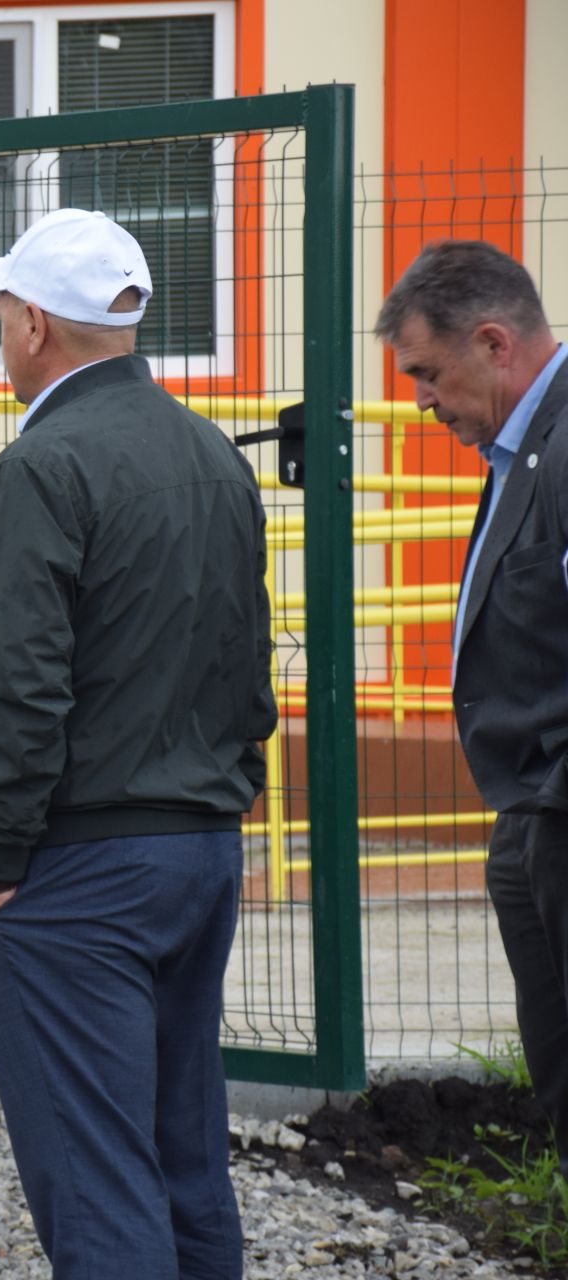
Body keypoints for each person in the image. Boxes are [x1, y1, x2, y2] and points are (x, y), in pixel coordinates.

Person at [0, 209, 275, 1279]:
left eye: (1, 316)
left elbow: (16, 680)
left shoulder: (44, 464)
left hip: (78, 868)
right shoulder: (211, 454)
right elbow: (244, 654)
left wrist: (0, 853)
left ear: (35, 323)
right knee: (183, 1155)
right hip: (198, 846)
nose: (1, 337)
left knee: (97, 1176)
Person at [375, 240, 568, 1171]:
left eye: (427, 373)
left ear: (494, 342)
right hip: (533, 811)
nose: (421, 400)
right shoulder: (524, 444)